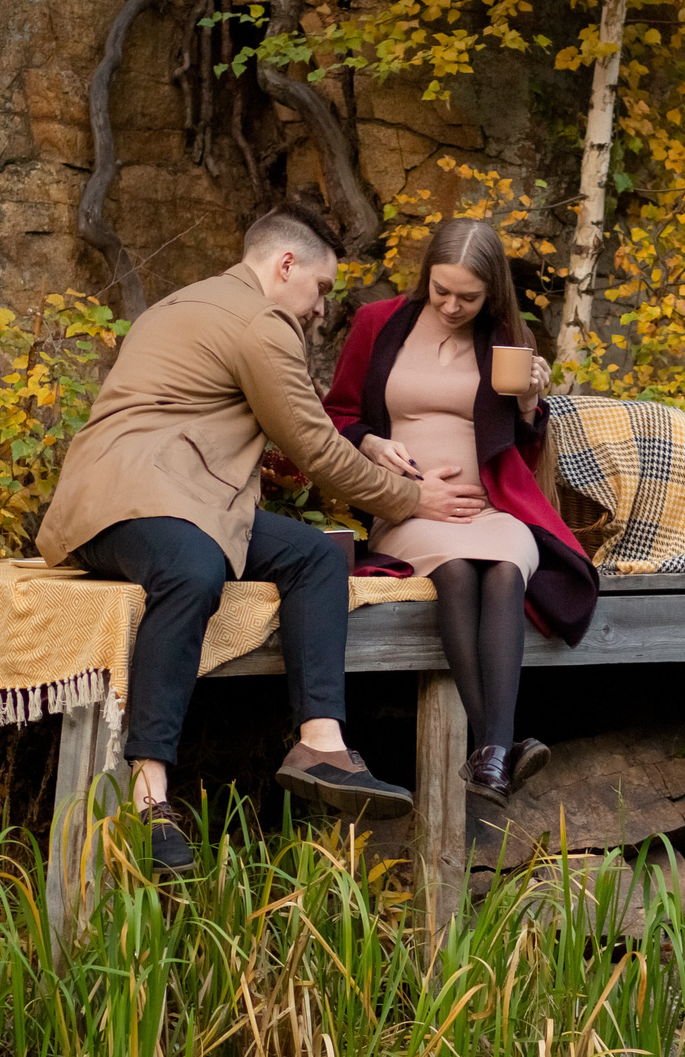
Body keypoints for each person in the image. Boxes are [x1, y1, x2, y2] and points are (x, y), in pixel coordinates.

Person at [37, 206, 489, 874]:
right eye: (322, 290)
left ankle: (321, 742)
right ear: (285, 267)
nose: (320, 311)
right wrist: (412, 497)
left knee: (312, 557)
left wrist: (306, 461)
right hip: (127, 497)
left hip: (187, 494)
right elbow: (313, 441)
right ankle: (148, 797)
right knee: (193, 568)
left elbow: (240, 427)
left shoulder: (192, 300)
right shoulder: (262, 319)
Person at [325, 219, 600, 802]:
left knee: (503, 569)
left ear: (491, 291)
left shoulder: (504, 339)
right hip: (410, 510)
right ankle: (499, 746)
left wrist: (528, 405)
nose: (450, 305)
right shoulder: (379, 324)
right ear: (426, 275)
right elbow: (336, 414)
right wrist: (371, 442)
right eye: (440, 289)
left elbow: (523, 450)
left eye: (467, 297)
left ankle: (488, 756)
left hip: (492, 509)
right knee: (453, 571)